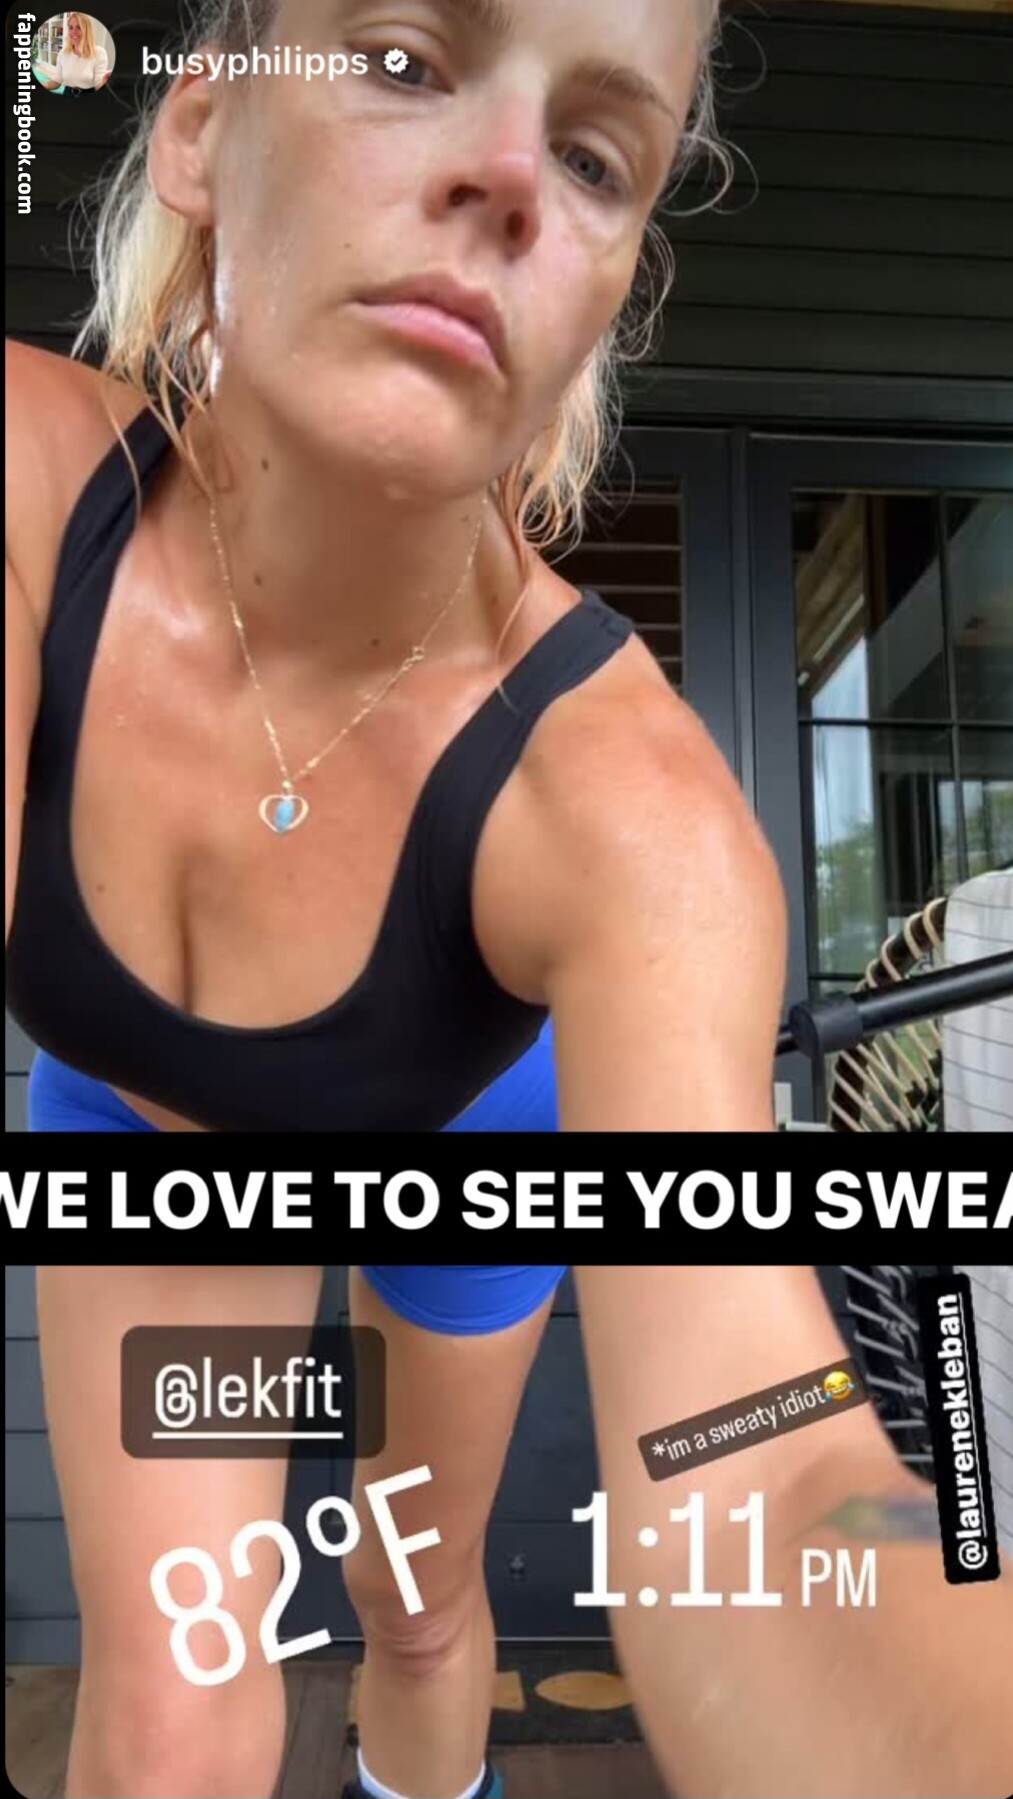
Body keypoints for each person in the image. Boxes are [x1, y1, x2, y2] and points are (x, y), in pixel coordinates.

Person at [5, 0, 780, 1139]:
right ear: (203, 131)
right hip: (114, 1098)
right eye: (402, 65)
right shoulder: (27, 482)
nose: (512, 176)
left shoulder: (638, 816)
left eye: (589, 161)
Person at [33, 1263, 1013, 1799]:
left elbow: (774, 1474)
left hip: (481, 1103)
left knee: (412, 1602)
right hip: (168, 1101)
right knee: (170, 1684)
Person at [34, 12, 111, 91]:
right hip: (68, 92)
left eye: (79, 27)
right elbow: (57, 81)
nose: (73, 32)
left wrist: (105, 81)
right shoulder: (63, 53)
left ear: (87, 31)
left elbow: (98, 83)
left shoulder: (99, 53)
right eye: (70, 27)